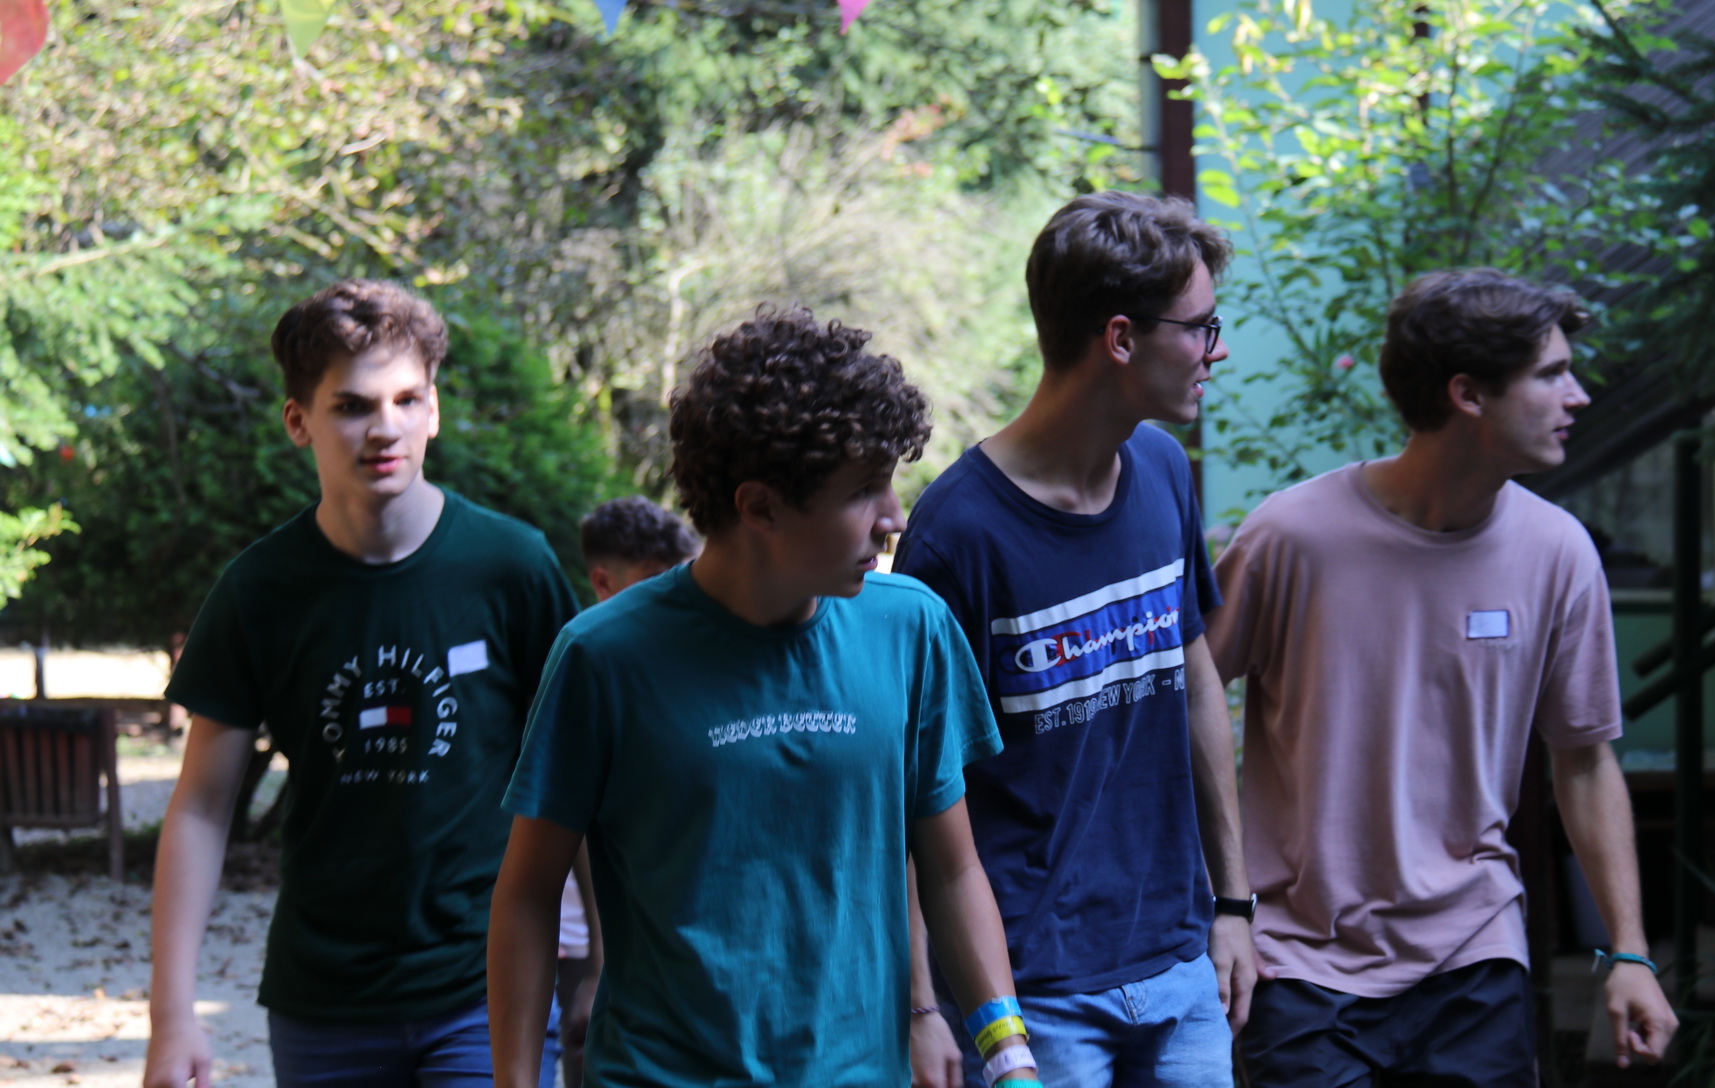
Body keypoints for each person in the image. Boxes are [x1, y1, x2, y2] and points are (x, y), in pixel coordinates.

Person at [487, 307, 1043, 1088]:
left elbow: (952, 872)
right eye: (863, 491)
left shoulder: (911, 628)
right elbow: (527, 894)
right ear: (759, 506)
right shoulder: (603, 657)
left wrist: (1009, 1056)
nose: (894, 519)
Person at [1207, 268, 1680, 1085]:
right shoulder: (1290, 536)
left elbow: (1583, 760)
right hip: (1300, 963)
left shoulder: (1558, 552)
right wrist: (1226, 905)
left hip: (1474, 956)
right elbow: (1185, 704)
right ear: (1468, 394)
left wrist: (1630, 952)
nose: (1578, 397)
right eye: (1551, 375)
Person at [145, 280, 579, 1088]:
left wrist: (614, 965)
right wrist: (171, 1015)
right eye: (351, 406)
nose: (386, 427)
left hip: (486, 989)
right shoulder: (258, 592)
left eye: (407, 399)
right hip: (322, 1000)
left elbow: (576, 775)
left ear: (434, 410)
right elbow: (201, 807)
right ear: (298, 421)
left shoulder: (512, 567)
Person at [893, 191, 1255, 1088]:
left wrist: (1234, 903)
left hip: (1180, 965)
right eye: (1200, 329)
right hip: (1032, 994)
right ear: (1121, 339)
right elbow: (912, 794)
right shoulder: (956, 536)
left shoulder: (1164, 471)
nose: (1216, 351)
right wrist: (925, 1008)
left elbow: (1196, 678)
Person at [550, 496, 702, 1088]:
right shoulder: (580, 665)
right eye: (653, 580)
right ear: (603, 582)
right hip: (576, 942)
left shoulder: (694, 663)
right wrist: (598, 963)